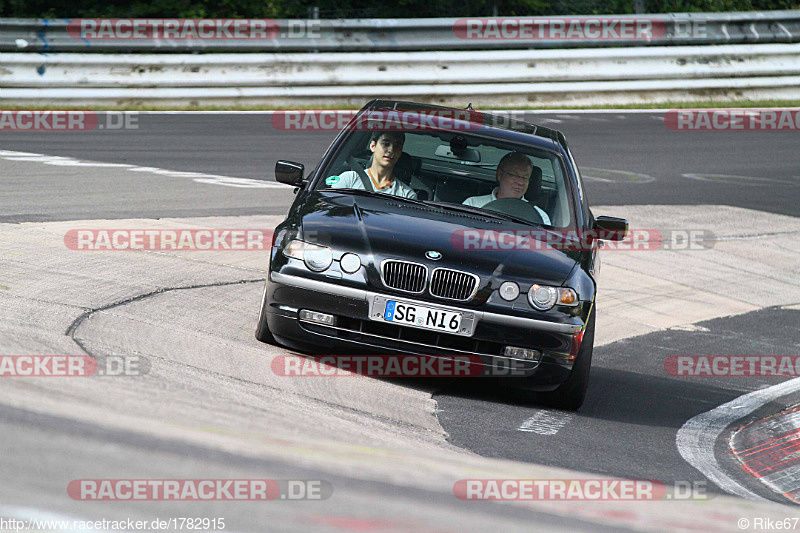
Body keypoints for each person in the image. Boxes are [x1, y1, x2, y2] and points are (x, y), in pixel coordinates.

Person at [463, 151, 551, 225]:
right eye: (514, 175)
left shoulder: (539, 216)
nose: (520, 182)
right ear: (500, 175)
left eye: (525, 178)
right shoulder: (473, 204)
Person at [325, 131, 417, 199]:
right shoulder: (349, 179)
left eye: (397, 146)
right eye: (386, 144)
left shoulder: (407, 195)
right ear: (373, 146)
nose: (391, 150)